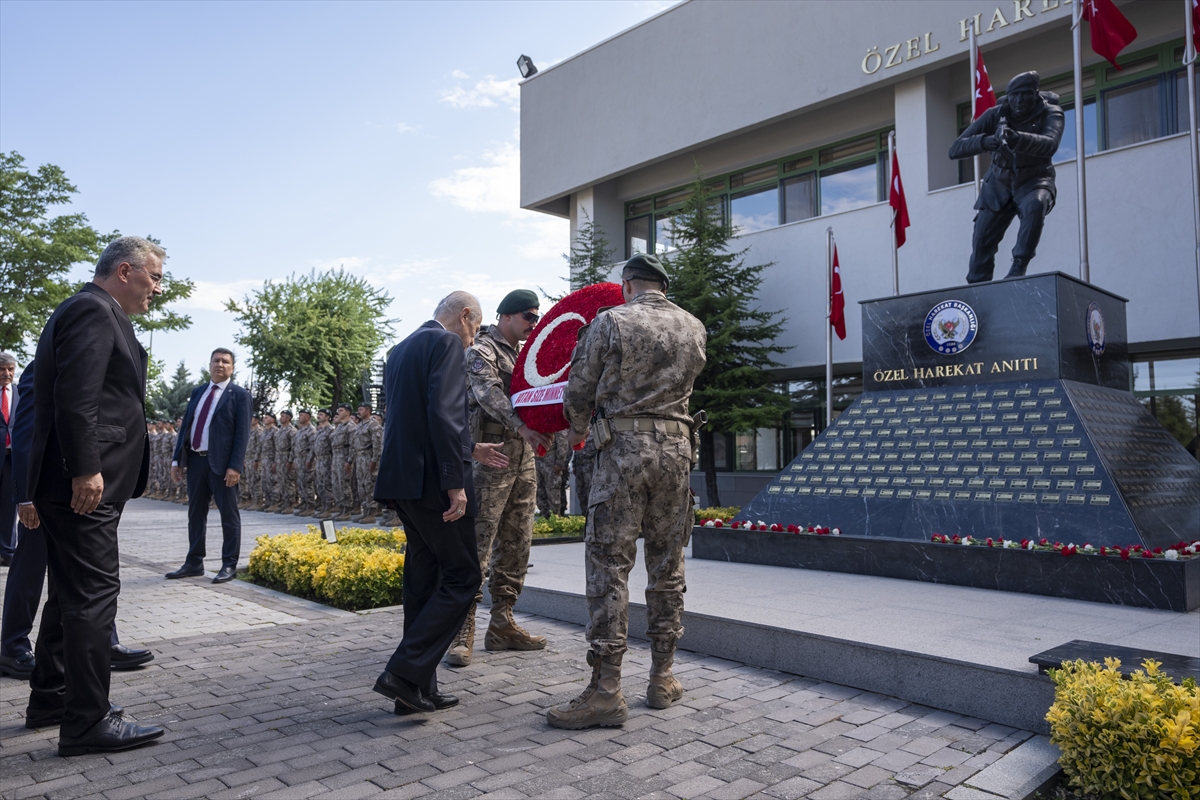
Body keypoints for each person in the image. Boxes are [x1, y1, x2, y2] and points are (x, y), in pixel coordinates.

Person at [548, 254, 706, 730]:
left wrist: (577, 432)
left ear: (629, 285)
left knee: (609, 565)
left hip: (622, 450)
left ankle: (606, 691)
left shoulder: (611, 321)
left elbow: (578, 391)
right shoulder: (694, 327)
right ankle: (662, 678)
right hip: (678, 451)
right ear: (662, 285)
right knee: (667, 563)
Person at [25, 236, 166, 755]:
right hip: (84, 484)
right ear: (125, 271)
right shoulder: (92, 310)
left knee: (69, 594)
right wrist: (86, 469)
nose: (157, 288)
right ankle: (88, 721)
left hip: (81, 482)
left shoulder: (95, 309)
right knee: (93, 597)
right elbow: (76, 396)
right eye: (153, 276)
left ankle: (51, 698)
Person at [372, 291, 508, 714]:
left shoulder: (401, 349)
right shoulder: (447, 343)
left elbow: (420, 417)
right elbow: (446, 415)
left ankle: (415, 690)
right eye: (474, 331)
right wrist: (456, 483)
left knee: (424, 578)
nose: (471, 343)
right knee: (464, 576)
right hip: (434, 484)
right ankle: (403, 672)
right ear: (465, 316)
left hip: (403, 480)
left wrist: (470, 449)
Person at [0, 361, 153, 682]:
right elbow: (27, 426)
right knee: (30, 565)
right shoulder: (47, 362)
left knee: (91, 570)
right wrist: (26, 496)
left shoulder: (109, 365)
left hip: (90, 488)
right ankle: (12, 647)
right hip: (48, 488)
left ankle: (103, 643)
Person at [446, 289, 549, 667]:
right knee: (478, 543)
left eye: (537, 317)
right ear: (506, 317)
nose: (533, 323)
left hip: (523, 458)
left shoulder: (526, 356)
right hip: (491, 455)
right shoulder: (481, 350)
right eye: (528, 316)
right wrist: (523, 426)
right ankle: (463, 628)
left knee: (518, 540)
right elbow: (487, 393)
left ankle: (502, 622)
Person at [949, 71, 1064, 283]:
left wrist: (1017, 138)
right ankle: (977, 290)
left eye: (1025, 95)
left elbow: (1050, 144)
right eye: (1014, 95)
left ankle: (1019, 265)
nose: (1019, 101)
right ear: (1008, 96)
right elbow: (955, 149)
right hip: (998, 184)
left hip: (1034, 180)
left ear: (1035, 94)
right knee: (982, 242)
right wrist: (985, 141)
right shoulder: (995, 114)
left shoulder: (1051, 112)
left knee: (1035, 206)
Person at [165, 348, 252, 584]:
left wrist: (235, 466)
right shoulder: (198, 392)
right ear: (209, 364)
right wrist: (177, 460)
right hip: (195, 461)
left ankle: (229, 564)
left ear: (232, 368)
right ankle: (194, 562)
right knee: (195, 513)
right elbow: (186, 428)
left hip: (223, 466)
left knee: (229, 515)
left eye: (226, 361)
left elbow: (242, 434)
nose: (220, 364)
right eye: (216, 360)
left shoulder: (239, 395)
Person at [1, 352, 21, 565]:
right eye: (2, 369)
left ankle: (7, 552)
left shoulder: (19, 392)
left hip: (11, 459)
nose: (6, 373)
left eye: (10, 369)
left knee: (9, 507)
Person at [352, 403, 382, 524]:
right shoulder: (359, 425)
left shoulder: (373, 424)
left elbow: (377, 444)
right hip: (359, 458)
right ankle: (365, 511)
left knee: (369, 484)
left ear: (368, 410)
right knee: (361, 485)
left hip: (368, 457)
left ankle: (371, 512)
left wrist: (374, 460)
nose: (359, 411)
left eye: (361, 409)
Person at [536, 430, 571, 518]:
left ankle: (555, 517)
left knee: (553, 490)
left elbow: (562, 442)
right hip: (536, 458)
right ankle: (544, 516)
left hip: (551, 459)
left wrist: (560, 462)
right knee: (539, 490)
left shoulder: (554, 419)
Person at [330, 404, 355, 521]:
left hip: (344, 458)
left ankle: (347, 509)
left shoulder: (350, 426)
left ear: (348, 413)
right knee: (337, 484)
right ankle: (341, 508)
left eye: (341, 410)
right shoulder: (339, 426)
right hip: (336, 457)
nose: (338, 412)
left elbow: (352, 445)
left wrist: (349, 461)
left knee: (344, 484)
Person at [292, 410, 316, 515]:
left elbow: (312, 447)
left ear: (307, 417)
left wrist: (309, 460)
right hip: (299, 459)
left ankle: (310, 505)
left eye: (301, 415)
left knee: (307, 483)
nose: (299, 417)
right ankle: (304, 502)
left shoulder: (311, 430)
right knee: (300, 482)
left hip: (306, 459)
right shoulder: (300, 430)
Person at [273, 410, 296, 513]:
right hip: (279, 458)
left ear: (288, 418)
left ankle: (290, 504)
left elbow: (293, 447)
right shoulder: (279, 431)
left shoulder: (292, 431)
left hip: (286, 458)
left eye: (283, 416)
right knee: (281, 481)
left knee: (288, 481)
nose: (280, 418)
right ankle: (284, 502)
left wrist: (290, 461)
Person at [313, 408, 334, 515]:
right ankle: (323, 505)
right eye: (318, 414)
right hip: (319, 460)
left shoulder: (330, 430)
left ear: (327, 417)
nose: (318, 416)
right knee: (319, 484)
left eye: (321, 414)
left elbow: (333, 447)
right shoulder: (319, 430)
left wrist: (332, 462)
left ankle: (328, 508)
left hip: (327, 460)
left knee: (326, 484)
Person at [257, 412, 278, 512]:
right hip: (264, 460)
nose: (264, 419)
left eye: (267, 417)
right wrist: (257, 459)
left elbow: (277, 448)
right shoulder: (264, 432)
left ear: (273, 420)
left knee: (273, 481)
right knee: (265, 481)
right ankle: (268, 502)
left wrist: (275, 462)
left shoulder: (275, 431)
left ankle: (274, 503)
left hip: (271, 459)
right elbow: (259, 447)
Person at [240, 416, 262, 510]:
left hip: (254, 459)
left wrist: (256, 459)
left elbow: (259, 446)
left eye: (252, 418)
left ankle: (258, 501)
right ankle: (252, 500)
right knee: (249, 480)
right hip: (248, 458)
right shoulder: (249, 431)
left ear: (257, 420)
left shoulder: (259, 431)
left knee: (256, 480)